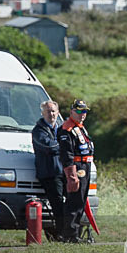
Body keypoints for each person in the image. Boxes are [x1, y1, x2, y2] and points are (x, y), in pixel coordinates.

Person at [57, 99, 95, 243]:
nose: (82, 114)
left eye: (84, 111)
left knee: (80, 201)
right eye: (78, 111)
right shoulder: (67, 129)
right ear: (71, 111)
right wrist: (72, 176)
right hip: (77, 169)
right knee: (74, 202)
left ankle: (75, 234)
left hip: (85, 167)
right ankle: (70, 235)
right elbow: (67, 155)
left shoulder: (80, 127)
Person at [31, 100, 65, 240]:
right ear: (42, 113)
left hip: (63, 172)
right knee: (57, 203)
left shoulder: (61, 128)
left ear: (58, 113)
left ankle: (69, 232)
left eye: (53, 111)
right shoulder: (38, 130)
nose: (51, 114)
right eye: (48, 111)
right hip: (49, 173)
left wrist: (63, 146)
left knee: (70, 202)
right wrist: (64, 145)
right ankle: (61, 234)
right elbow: (48, 147)